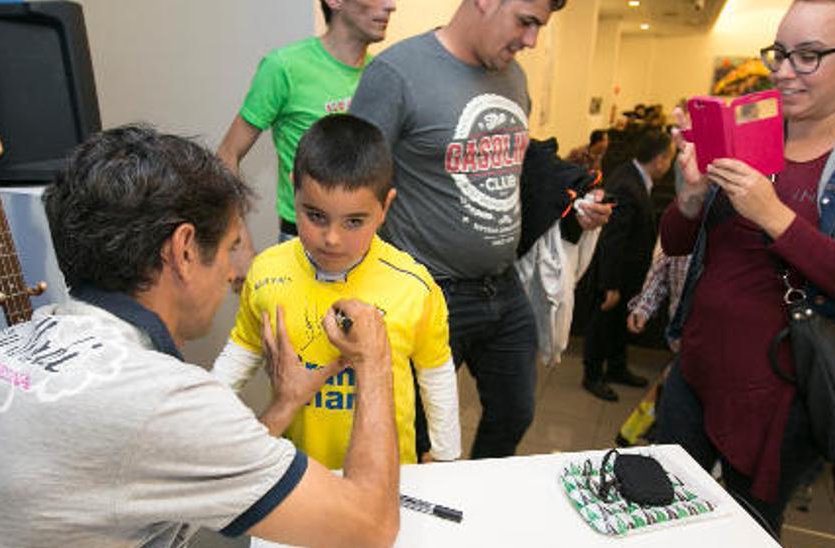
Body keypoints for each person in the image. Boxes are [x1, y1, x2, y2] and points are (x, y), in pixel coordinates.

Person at [0, 126, 400, 548]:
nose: (237, 273)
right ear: (185, 250)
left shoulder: (10, 343)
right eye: (234, 247)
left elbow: (163, 474)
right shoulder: (160, 399)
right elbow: (368, 529)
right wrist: (374, 358)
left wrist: (283, 403)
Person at [656, 0, 835, 535]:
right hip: (696, 368)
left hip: (783, 394)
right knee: (659, 517)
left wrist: (774, 216)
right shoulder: (752, 125)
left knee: (747, 530)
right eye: (779, 53)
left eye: (807, 56)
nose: (783, 71)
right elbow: (675, 242)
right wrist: (690, 197)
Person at [349, 0, 611, 458]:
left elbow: (513, 169)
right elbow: (350, 181)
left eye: (539, 27)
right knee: (416, 435)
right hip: (429, 291)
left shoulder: (513, 78)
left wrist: (574, 208)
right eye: (526, 22)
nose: (531, 41)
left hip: (503, 288)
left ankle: (478, 503)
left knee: (514, 412)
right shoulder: (397, 74)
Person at [212, 114, 461, 468]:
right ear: (292, 190)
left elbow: (435, 372)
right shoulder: (267, 271)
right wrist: (201, 422)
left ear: (385, 207)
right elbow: (242, 351)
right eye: (315, 215)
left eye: (354, 222)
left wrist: (446, 454)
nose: (332, 238)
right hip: (294, 470)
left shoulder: (413, 286)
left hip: (386, 472)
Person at [218, 0, 396, 242]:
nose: (391, 5)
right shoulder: (285, 67)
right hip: (303, 239)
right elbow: (228, 153)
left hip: (368, 242)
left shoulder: (383, 74)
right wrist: (236, 240)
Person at [580, 129, 674, 401]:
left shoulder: (633, 176)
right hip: (615, 275)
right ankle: (593, 375)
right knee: (603, 324)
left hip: (629, 272)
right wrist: (609, 285)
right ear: (659, 159)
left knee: (619, 324)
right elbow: (613, 239)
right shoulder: (627, 184)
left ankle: (617, 367)